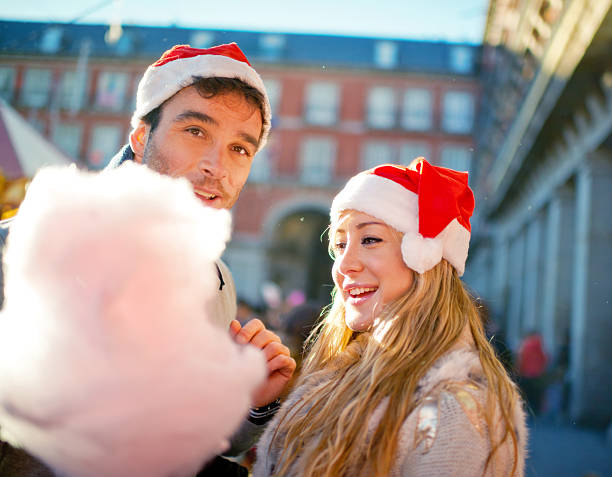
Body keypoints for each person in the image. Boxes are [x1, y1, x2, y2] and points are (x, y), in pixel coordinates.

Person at [0, 42, 296, 476]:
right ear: (141, 137)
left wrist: (252, 405)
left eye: (240, 149)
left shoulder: (217, 281)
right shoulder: (23, 247)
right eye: (196, 131)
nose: (218, 166)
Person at [253, 159, 527, 477]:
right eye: (340, 245)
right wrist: (265, 407)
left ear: (423, 257)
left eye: (370, 239)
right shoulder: (334, 375)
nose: (343, 265)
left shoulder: (452, 409)